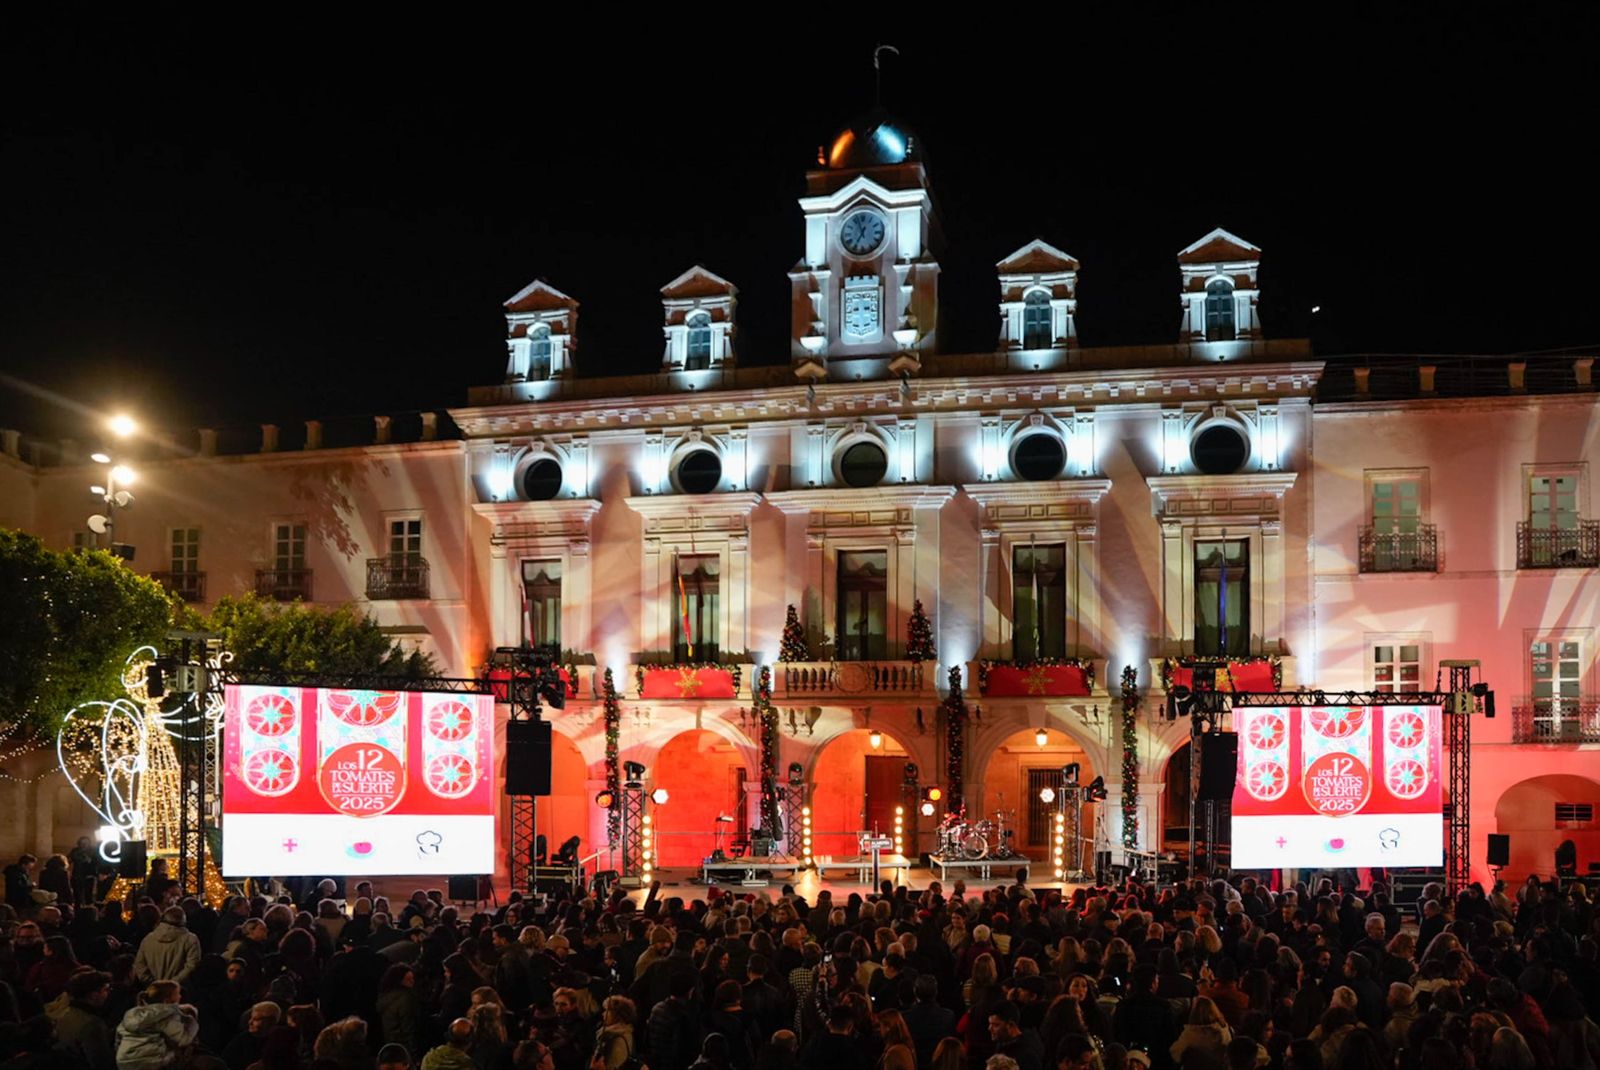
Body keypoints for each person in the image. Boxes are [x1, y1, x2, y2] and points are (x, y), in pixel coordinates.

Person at [115, 980, 200, 1070]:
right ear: (166, 1001)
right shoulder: (166, 1016)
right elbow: (183, 1039)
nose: (180, 996)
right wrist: (191, 1019)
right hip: (152, 1063)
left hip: (124, 1062)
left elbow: (118, 1039)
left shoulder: (133, 1013)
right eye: (178, 994)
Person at [54, 968, 116, 1070]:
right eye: (106, 989)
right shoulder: (91, 1024)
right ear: (93, 995)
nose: (109, 993)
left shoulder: (66, 1013)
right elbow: (103, 1064)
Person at [134, 906, 202, 984]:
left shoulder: (148, 939)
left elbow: (139, 964)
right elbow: (192, 966)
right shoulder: (190, 939)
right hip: (179, 991)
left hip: (154, 990)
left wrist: (151, 982)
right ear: (183, 921)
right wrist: (173, 983)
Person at [379, 964, 425, 1062]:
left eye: (412, 978)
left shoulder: (386, 996)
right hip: (405, 1047)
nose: (412, 981)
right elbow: (408, 1027)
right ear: (399, 980)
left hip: (391, 1042)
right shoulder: (406, 999)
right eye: (408, 979)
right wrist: (415, 1055)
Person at [590, 995, 637, 1070]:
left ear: (617, 1014)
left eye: (606, 1010)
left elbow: (613, 1065)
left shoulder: (618, 1039)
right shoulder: (610, 1034)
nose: (603, 1014)